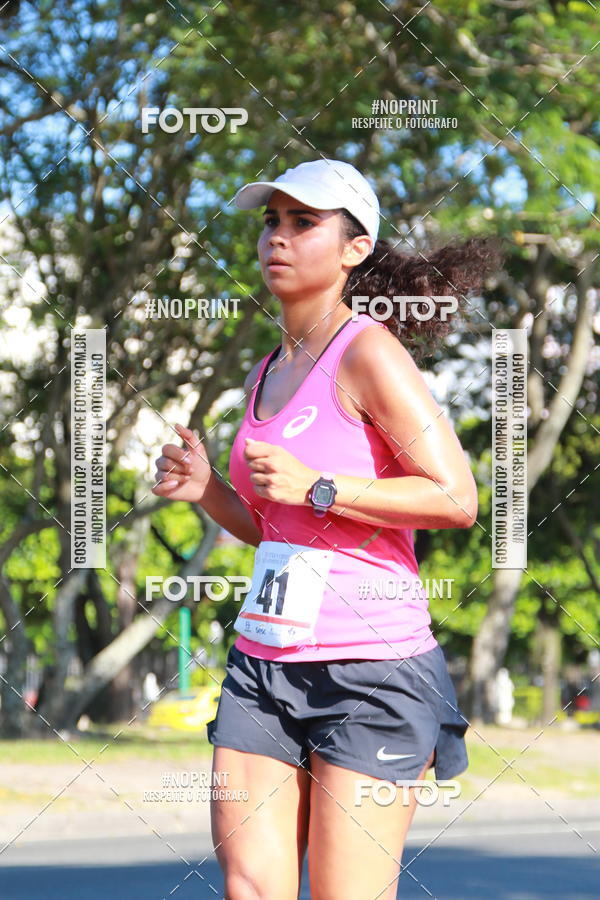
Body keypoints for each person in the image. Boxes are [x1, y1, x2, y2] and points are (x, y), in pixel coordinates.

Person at [152, 159, 504, 899]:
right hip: (263, 664)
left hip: (370, 669)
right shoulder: (264, 372)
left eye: (303, 222)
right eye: (271, 222)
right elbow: (271, 528)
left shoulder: (369, 351)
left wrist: (321, 485)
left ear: (354, 248)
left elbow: (457, 497)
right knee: (251, 888)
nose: (277, 238)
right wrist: (207, 488)